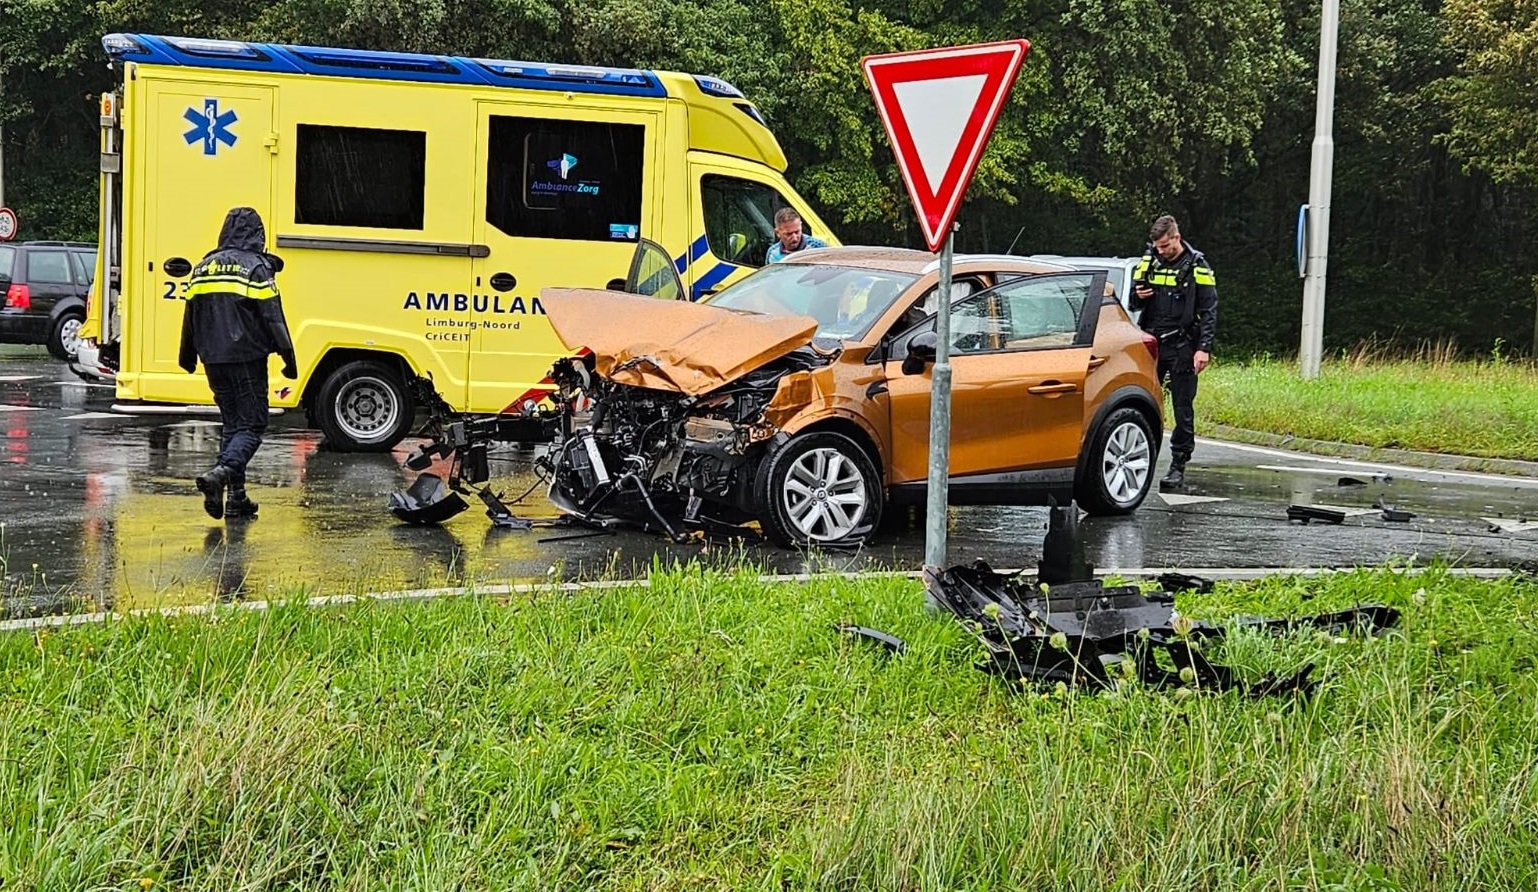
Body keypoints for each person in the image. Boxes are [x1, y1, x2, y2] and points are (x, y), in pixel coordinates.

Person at [178, 207, 297, 520]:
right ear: (257, 235)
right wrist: (288, 356)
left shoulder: (202, 268)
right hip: (247, 358)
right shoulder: (255, 268)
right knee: (253, 424)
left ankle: (236, 500)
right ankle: (222, 475)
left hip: (213, 360)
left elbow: (190, 319)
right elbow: (273, 316)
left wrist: (187, 356)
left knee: (233, 425)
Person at [1130, 214, 1217, 489]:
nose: (1161, 251)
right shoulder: (1149, 262)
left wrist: (1203, 349)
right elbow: (1132, 302)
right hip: (1152, 344)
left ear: (1176, 238)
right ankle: (1140, 458)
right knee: (1142, 402)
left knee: (1182, 406)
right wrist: (1138, 295)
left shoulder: (1197, 265)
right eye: (1157, 246)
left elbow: (1209, 310)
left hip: (1182, 345)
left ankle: (1178, 464)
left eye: (1166, 246)